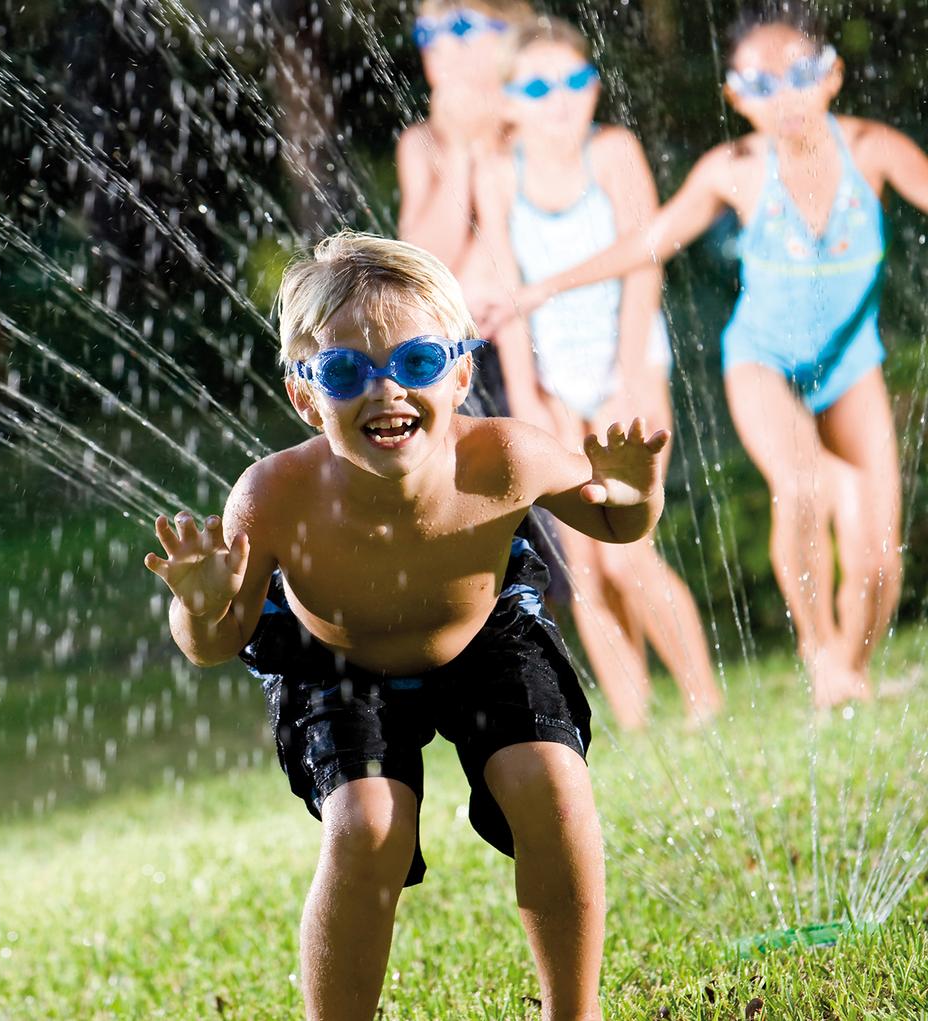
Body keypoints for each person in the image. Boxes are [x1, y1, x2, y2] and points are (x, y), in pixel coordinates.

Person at [145, 231, 671, 1021]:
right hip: (335, 659)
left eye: (417, 363)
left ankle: (575, 1011)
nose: (386, 391)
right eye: (347, 371)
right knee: (366, 826)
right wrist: (199, 601)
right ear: (304, 393)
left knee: (554, 785)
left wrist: (637, 494)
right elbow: (217, 644)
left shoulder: (507, 458)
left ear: (460, 373)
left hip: (485, 634)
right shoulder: (273, 496)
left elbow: (619, 527)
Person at [480, 10, 928, 709]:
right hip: (762, 359)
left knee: (878, 560)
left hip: (851, 363)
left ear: (834, 74)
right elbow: (650, 240)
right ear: (737, 96)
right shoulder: (735, 169)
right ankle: (817, 652)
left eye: (801, 74)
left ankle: (851, 665)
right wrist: (539, 290)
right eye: (762, 82)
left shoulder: (872, 150)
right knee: (801, 486)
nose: (785, 96)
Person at [472, 15, 722, 729]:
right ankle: (637, 719)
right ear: (510, 101)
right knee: (584, 564)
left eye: (577, 80)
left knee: (630, 552)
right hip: (552, 382)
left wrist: (632, 375)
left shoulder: (612, 151)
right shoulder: (498, 172)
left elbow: (646, 259)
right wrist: (527, 400)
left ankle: (705, 704)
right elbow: (507, 288)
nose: (562, 98)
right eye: (541, 85)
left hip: (627, 360)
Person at [396, 0, 536, 415]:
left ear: (510, 32)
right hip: (472, 342)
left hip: (543, 327)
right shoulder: (422, 143)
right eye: (426, 33)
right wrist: (460, 150)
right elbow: (426, 260)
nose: (439, 44)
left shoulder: (539, 122)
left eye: (459, 27)